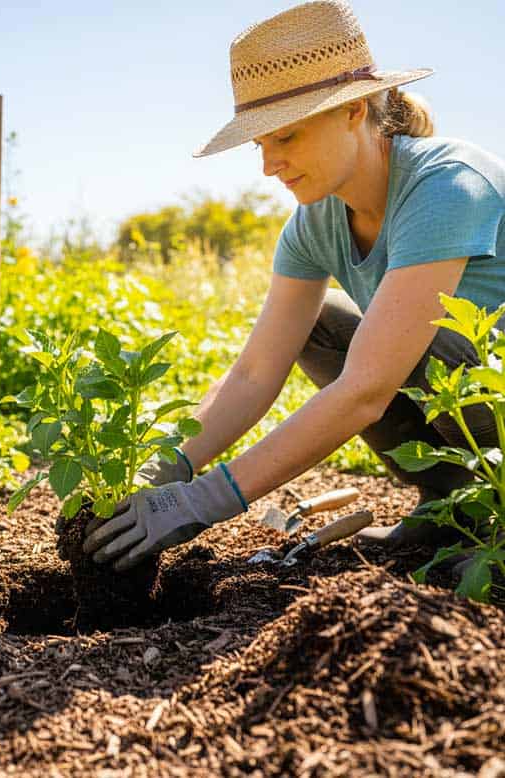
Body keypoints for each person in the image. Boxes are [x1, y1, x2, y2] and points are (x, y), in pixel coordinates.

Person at [83, 0, 505, 572]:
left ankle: (493, 530)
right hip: (479, 432)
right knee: (327, 322)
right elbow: (255, 372)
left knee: (421, 341)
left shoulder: (448, 186)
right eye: (260, 144)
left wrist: (204, 501)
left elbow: (365, 389)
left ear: (354, 110)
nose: (268, 164)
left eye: (286, 136)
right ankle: (453, 510)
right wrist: (166, 468)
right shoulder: (315, 223)